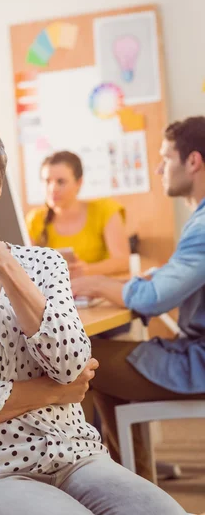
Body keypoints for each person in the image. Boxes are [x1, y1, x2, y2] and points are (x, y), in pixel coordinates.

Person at [0, 114, 185, 515]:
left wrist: (7, 267)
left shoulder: (43, 264)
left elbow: (72, 364)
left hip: (76, 454)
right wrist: (50, 393)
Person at [72, 116, 205, 480]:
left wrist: (97, 285)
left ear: (192, 161)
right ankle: (134, 485)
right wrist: (149, 277)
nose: (160, 167)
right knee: (106, 370)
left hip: (199, 364)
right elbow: (179, 276)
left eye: (166, 157)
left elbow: (154, 298)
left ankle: (88, 481)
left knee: (83, 362)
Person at [26, 151, 130, 278]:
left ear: (79, 182)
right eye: (47, 181)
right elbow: (26, 267)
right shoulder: (35, 219)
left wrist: (87, 270)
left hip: (97, 292)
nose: (53, 188)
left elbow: (123, 262)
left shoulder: (105, 210)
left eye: (61, 182)